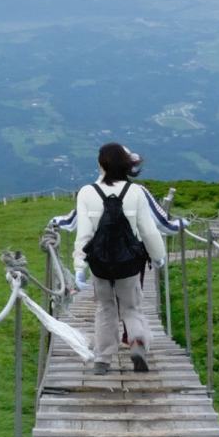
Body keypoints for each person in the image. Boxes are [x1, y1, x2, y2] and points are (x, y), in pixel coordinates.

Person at [71, 142, 168, 374]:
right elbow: (148, 230)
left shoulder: (86, 192)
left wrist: (79, 266)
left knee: (105, 308)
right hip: (129, 263)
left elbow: (83, 233)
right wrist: (158, 257)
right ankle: (136, 343)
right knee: (132, 307)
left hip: (100, 264)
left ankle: (103, 359)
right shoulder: (136, 192)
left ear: (101, 164)